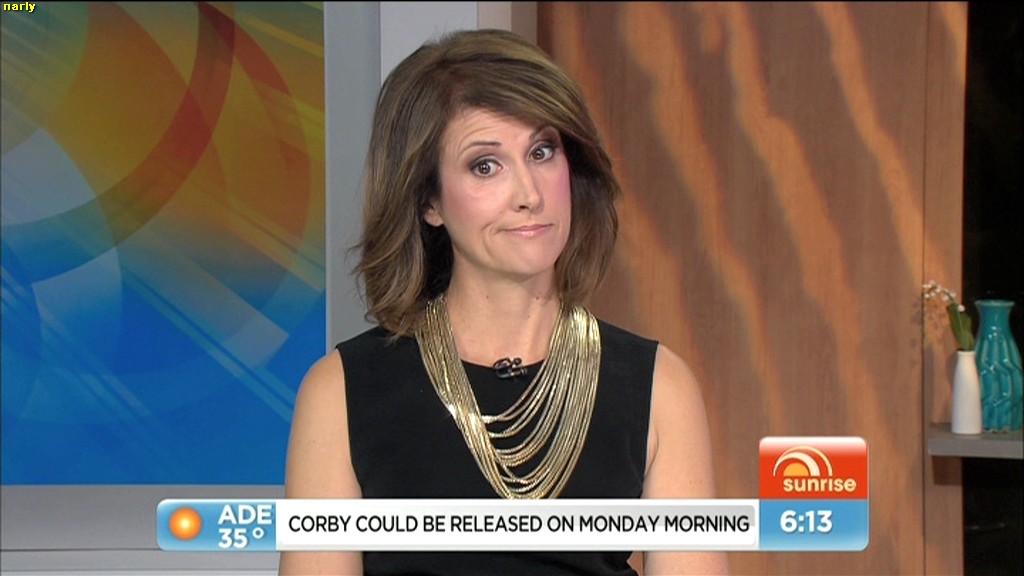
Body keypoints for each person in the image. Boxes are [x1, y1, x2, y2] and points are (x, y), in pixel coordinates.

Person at [279, 28, 728, 576]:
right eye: (485, 165)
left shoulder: (659, 388)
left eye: (542, 152)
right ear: (429, 201)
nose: (529, 195)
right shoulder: (341, 392)